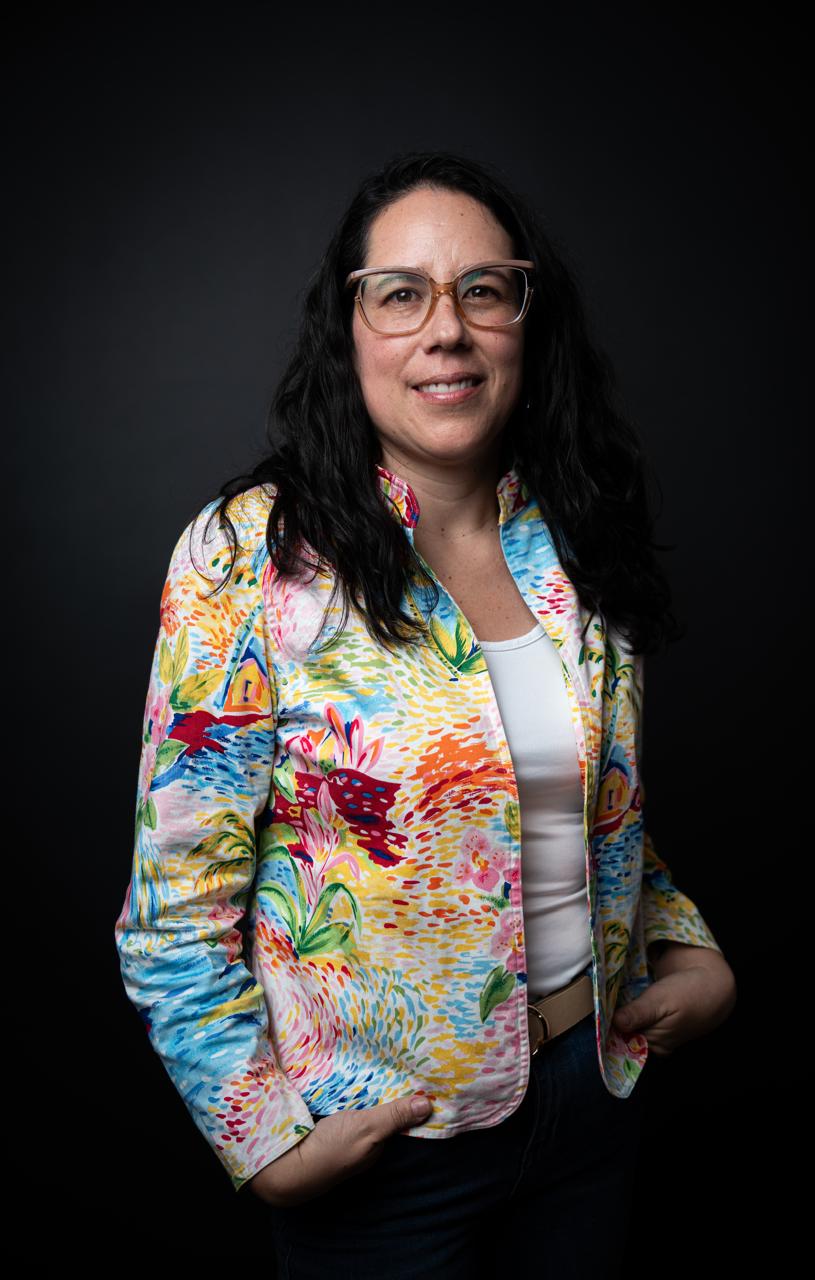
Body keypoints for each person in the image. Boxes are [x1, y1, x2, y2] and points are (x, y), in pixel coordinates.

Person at [115, 150, 736, 1278]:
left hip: (589, 1101)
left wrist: (682, 945)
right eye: (400, 293)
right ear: (348, 328)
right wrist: (263, 1141)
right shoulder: (249, 557)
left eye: (481, 290)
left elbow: (577, 812)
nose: (444, 330)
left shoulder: (577, 535)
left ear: (527, 323)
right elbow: (174, 913)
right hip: (383, 1149)